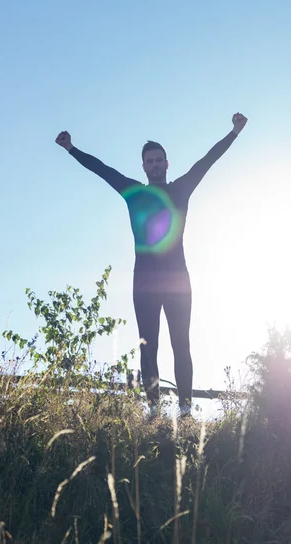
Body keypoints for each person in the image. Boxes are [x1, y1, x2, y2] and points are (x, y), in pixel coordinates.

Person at [55, 113, 248, 417]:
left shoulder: (181, 189)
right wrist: (71, 149)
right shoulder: (135, 192)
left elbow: (207, 161)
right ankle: (154, 408)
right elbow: (103, 170)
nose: (156, 164)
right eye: (150, 161)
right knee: (148, 345)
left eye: (160, 160)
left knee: (181, 344)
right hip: (144, 281)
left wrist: (234, 133)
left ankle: (184, 408)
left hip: (177, 280)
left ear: (167, 164)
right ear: (143, 166)